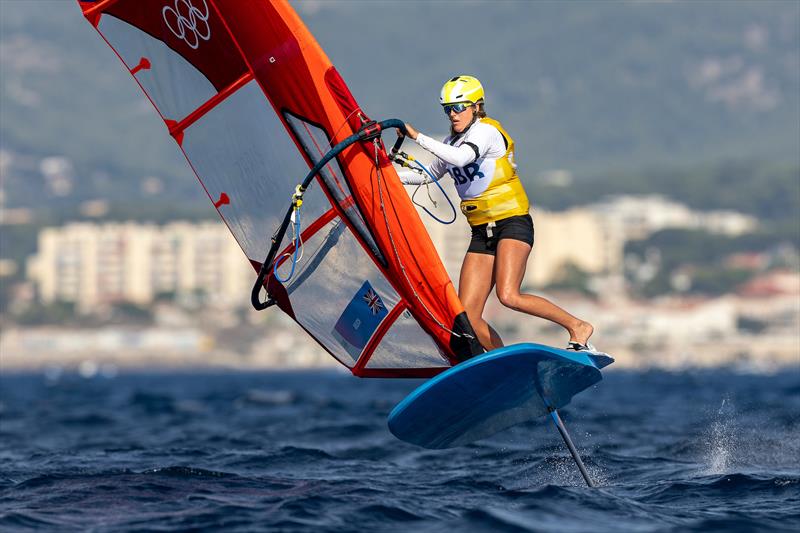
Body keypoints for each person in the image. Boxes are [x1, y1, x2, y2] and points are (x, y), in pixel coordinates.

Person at [397, 75, 597, 353]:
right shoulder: (450, 142)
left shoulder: (486, 132)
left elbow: (461, 159)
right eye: (447, 109)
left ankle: (578, 327)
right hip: (481, 231)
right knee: (467, 315)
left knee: (508, 295)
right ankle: (500, 361)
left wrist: (416, 136)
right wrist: (388, 174)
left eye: (459, 107)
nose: (453, 114)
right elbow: (428, 174)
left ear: (476, 106)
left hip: (511, 223)